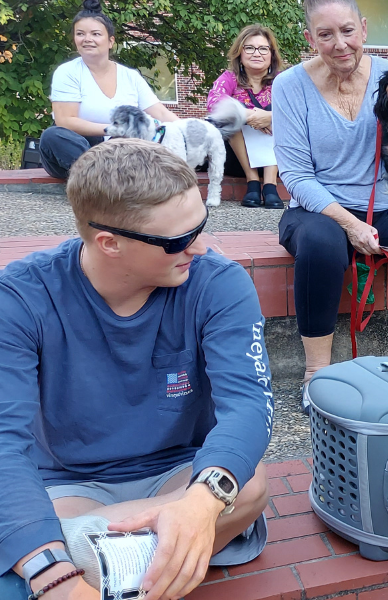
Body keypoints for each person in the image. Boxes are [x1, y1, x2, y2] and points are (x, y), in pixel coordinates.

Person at [0, 139, 272, 600]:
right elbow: (6, 442)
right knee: (39, 538)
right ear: (110, 243)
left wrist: (200, 503)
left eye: (200, 227)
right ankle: (142, 563)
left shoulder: (219, 283)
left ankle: (106, 564)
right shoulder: (22, 298)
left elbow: (248, 405)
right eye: (178, 241)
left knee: (247, 486)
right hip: (70, 484)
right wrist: (56, 577)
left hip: (178, 473)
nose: (201, 247)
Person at [273, 0, 388, 389]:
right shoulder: (290, 86)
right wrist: (350, 223)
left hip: (385, 203)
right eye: (325, 34)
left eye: (347, 31)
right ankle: (316, 374)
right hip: (318, 206)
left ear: (364, 29)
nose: (340, 44)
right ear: (310, 38)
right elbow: (295, 174)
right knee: (321, 243)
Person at [39, 0, 180, 180]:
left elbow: (160, 112)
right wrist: (112, 130)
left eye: (96, 34)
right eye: (80, 34)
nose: (87, 39)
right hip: (76, 149)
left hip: (117, 149)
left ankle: (109, 175)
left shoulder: (130, 76)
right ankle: (102, 177)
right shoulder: (67, 72)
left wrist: (187, 130)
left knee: (140, 137)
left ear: (110, 41)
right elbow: (65, 121)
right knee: (52, 136)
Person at [207, 24, 286, 209]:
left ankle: (270, 185)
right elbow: (214, 103)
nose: (256, 53)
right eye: (249, 48)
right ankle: (253, 183)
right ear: (240, 54)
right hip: (238, 158)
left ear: (271, 55)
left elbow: (299, 111)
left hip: (277, 159)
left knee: (280, 114)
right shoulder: (229, 78)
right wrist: (249, 115)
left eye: (263, 48)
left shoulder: (283, 81)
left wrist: (270, 117)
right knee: (231, 113)